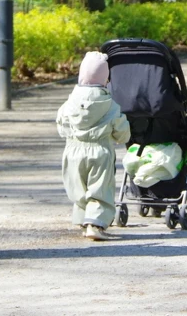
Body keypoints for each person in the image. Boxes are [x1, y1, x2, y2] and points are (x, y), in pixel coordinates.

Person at [57, 52, 130, 241]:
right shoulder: (110, 105)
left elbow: (61, 124)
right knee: (100, 188)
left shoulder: (69, 102)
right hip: (100, 151)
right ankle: (95, 224)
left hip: (73, 150)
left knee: (78, 187)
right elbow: (122, 133)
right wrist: (122, 136)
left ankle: (83, 219)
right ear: (106, 80)